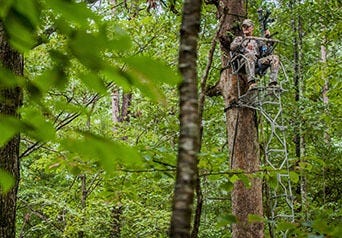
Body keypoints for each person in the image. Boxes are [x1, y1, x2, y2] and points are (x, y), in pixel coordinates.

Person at [230, 19, 279, 90]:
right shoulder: (240, 38)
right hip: (243, 62)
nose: (245, 28)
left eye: (247, 26)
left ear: (252, 28)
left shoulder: (257, 41)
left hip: (257, 62)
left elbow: (266, 51)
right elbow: (232, 47)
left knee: (274, 57)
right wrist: (242, 43)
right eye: (244, 27)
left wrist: (268, 39)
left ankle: (273, 83)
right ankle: (251, 82)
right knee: (250, 56)